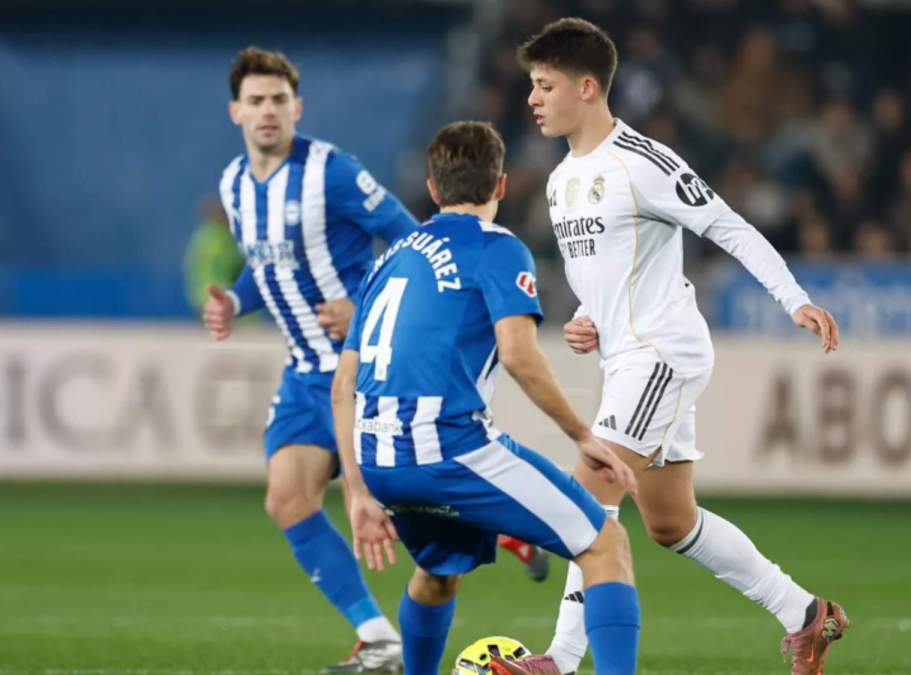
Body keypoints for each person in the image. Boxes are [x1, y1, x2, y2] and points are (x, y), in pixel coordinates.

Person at [517, 19, 847, 675]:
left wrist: (794, 299)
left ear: (587, 87)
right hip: (627, 359)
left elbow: (726, 223)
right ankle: (805, 612)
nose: (532, 98)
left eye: (545, 85)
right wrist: (588, 317)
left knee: (593, 483)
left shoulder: (642, 162)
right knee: (670, 522)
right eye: (531, 85)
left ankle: (560, 656)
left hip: (664, 352)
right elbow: (609, 273)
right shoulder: (559, 183)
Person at [201, 48, 542, 673]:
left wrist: (365, 305)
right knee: (288, 499)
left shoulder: (329, 172)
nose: (268, 111)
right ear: (235, 111)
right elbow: (267, 260)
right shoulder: (233, 185)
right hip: (306, 367)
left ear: (297, 107)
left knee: (404, 494)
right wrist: (235, 298)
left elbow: (416, 233)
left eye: (279, 99)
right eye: (256, 100)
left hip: (367, 367)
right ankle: (380, 635)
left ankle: (497, 522)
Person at [333, 121, 641, 675]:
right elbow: (519, 355)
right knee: (604, 542)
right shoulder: (498, 248)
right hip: (448, 449)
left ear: (431, 189)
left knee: (437, 571)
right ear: (501, 185)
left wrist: (356, 488)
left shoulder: (392, 257)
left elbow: (342, 385)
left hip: (378, 460)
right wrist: (581, 436)